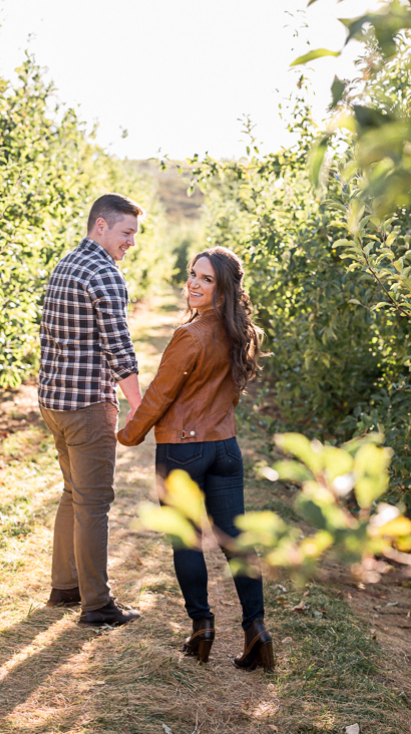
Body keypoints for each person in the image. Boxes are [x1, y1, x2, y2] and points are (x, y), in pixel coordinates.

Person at [117, 246, 274, 671]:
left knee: (185, 539)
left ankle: (202, 627)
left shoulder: (190, 335)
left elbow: (160, 395)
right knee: (236, 541)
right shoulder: (242, 333)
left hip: (183, 450)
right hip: (225, 448)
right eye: (192, 275)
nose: (194, 284)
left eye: (206, 279)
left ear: (223, 290)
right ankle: (255, 629)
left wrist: (129, 435)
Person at [39, 193, 144, 626]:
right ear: (100, 226)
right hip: (86, 406)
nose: (131, 243)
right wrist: (139, 406)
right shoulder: (105, 273)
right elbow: (120, 350)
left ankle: (65, 586)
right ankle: (97, 604)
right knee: (95, 502)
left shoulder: (64, 265)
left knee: (73, 493)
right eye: (126, 233)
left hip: (54, 402)